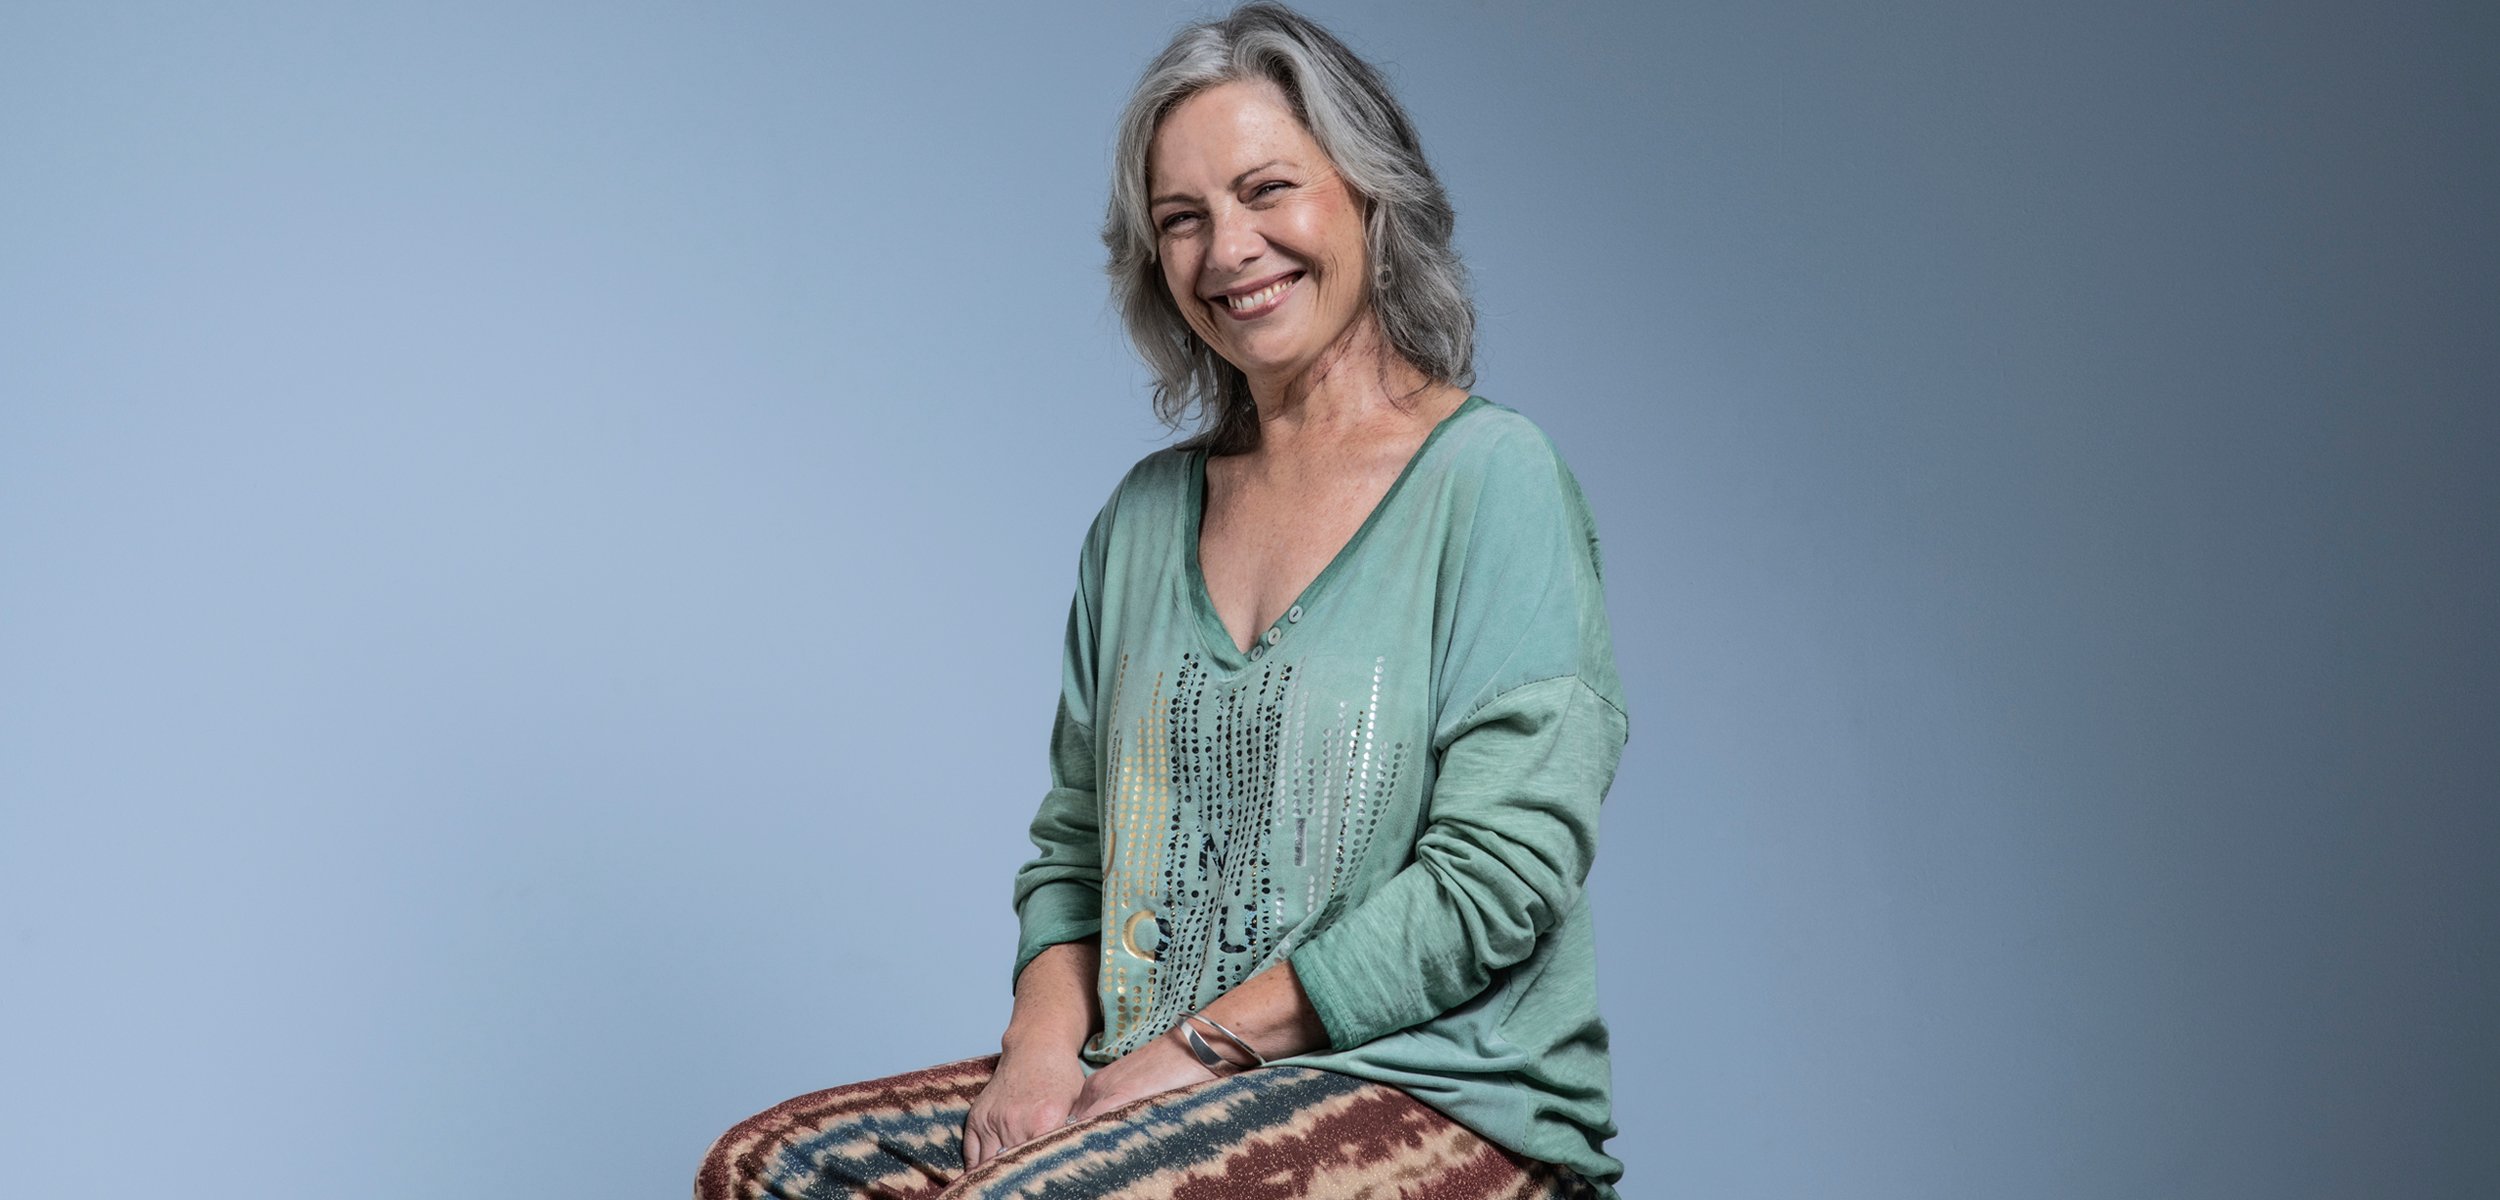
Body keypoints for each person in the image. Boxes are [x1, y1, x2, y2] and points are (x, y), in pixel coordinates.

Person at [695, 4, 1629, 1196]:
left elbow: (1497, 879)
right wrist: (1040, 1056)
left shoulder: (1493, 483)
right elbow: (1075, 845)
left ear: (1368, 195)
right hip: (1148, 1064)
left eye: (1266, 190)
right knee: (775, 1171)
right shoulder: (1141, 521)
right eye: (1182, 219)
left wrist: (1203, 1048)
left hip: (1434, 1087)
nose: (1227, 249)